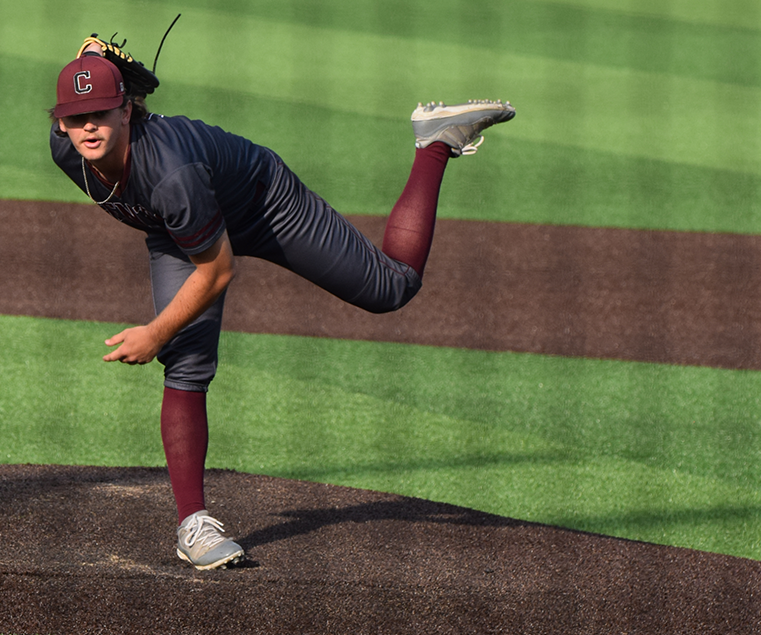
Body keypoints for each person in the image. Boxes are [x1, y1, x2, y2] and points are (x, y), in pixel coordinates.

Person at [49, 48, 514, 570]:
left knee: (391, 290)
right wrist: (92, 62)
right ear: (60, 122)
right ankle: (193, 524)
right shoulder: (66, 151)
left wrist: (156, 332)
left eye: (102, 113)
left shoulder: (170, 172)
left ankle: (434, 142)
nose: (88, 127)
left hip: (263, 204)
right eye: (75, 117)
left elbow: (218, 271)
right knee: (188, 362)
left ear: (126, 112)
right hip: (178, 229)